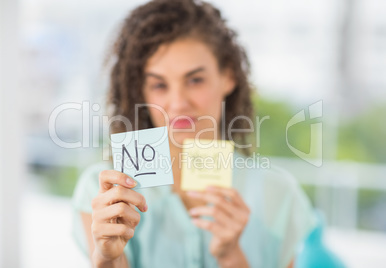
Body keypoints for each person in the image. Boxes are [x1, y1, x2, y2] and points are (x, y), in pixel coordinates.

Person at [72, 0, 317, 267]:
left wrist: (231, 256)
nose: (178, 103)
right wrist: (108, 258)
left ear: (228, 77)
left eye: (195, 80)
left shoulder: (278, 194)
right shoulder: (103, 191)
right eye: (159, 85)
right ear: (140, 91)